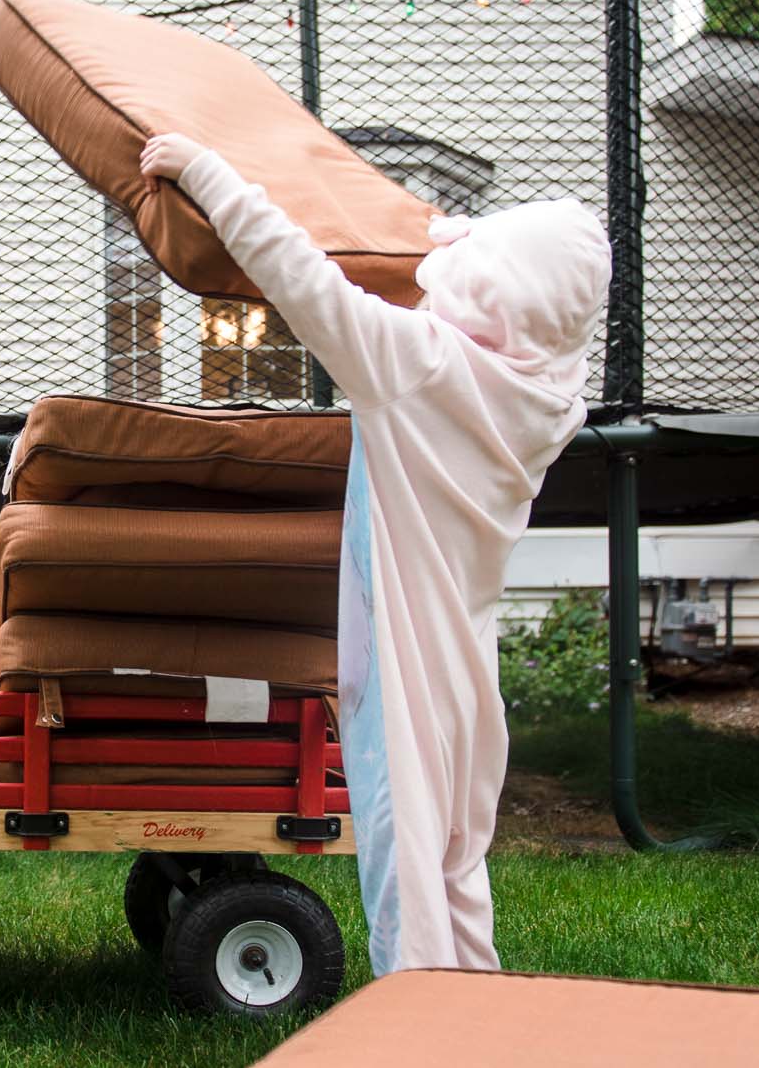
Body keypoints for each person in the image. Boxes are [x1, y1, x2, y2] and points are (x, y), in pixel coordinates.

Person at [139, 131, 608, 976]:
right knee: (456, 859)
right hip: (468, 667)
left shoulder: (417, 369)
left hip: (404, 672)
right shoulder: (551, 393)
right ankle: (481, 1002)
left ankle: (421, 1022)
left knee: (405, 866)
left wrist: (208, 170)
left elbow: (302, 278)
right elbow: (513, 313)